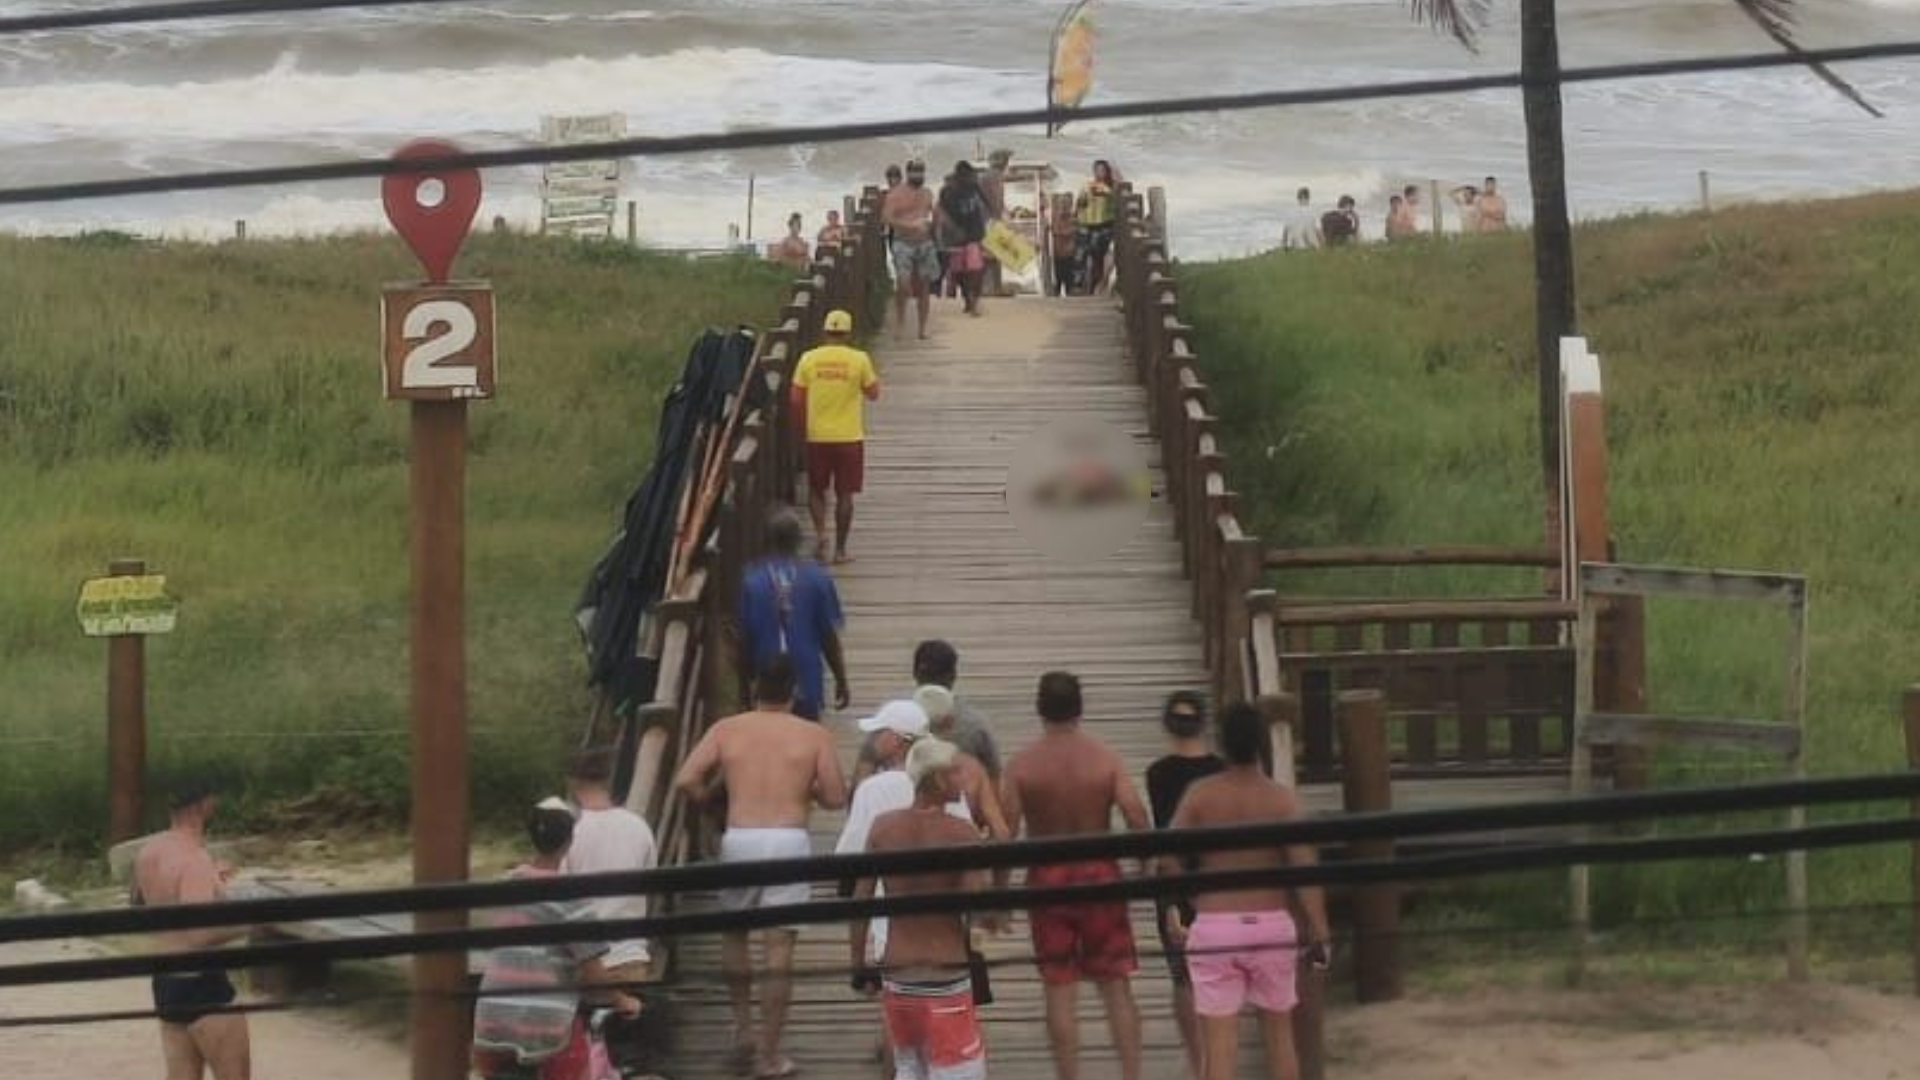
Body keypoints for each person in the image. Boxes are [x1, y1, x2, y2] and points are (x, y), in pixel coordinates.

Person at [673, 656, 849, 1080]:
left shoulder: (727, 729)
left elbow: (685, 779)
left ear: (754, 687)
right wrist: (803, 787)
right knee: (779, 949)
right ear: (794, 691)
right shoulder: (813, 735)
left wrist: (715, 805)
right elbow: (835, 797)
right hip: (788, 840)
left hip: (741, 837)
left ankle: (743, 1029)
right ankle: (770, 1054)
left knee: (735, 934)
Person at [1165, 701, 1332, 1080]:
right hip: (1271, 923)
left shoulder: (1201, 794)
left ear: (1221, 743)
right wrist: (1319, 928)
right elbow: (1304, 866)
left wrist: (1185, 900)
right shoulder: (1280, 798)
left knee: (1220, 1045)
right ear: (1261, 745)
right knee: (1279, 1035)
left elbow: (1169, 856)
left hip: (1216, 924)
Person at [1001, 671, 1148, 1080]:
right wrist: (1149, 866)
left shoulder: (1021, 765)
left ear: (1039, 708)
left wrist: (997, 892)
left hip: (1047, 877)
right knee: (1116, 985)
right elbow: (1135, 814)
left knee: (1059, 987)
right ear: (1080, 708)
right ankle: (1131, 1074)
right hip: (1100, 873)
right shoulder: (1105, 758)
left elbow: (1007, 832)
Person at [850, 739, 991, 1080]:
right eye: (956, 771)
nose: (964, 779)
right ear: (938, 779)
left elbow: (861, 901)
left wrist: (858, 964)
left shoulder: (883, 828)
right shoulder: (962, 834)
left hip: (897, 974)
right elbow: (978, 907)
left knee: (908, 1067)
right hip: (946, 976)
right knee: (959, 1071)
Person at [472, 804, 644, 1080]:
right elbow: (594, 974)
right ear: (568, 843)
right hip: (545, 1026)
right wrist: (623, 1000)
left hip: (491, 1018)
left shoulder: (504, 886)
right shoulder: (571, 899)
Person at [133, 777, 252, 1080]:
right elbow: (200, 933)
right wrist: (253, 922)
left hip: (165, 981)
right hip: (202, 981)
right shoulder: (194, 859)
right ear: (205, 806)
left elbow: (138, 903)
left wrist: (211, 882)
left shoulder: (151, 850)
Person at [1144, 691, 1225, 1079]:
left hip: (1175, 878)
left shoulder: (1158, 774)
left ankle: (1198, 1063)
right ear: (1204, 723)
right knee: (1218, 974)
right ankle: (1217, 1057)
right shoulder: (1222, 771)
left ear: (1166, 725)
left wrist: (1173, 903)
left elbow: (1164, 835)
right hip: (1218, 879)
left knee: (1183, 977)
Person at [560, 747, 660, 1024]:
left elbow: (559, 900)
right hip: (631, 957)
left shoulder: (568, 832)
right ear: (608, 779)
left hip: (586, 966)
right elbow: (649, 883)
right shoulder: (639, 826)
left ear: (571, 782)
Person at [738, 507, 851, 721]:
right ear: (799, 540)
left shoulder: (752, 581)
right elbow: (828, 637)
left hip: (766, 680)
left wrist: (744, 687)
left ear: (768, 540)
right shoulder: (818, 579)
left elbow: (745, 640)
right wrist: (841, 679)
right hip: (806, 677)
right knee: (805, 739)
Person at [791, 309, 881, 565]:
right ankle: (840, 550)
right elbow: (874, 393)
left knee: (817, 490)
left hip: (817, 436)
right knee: (845, 494)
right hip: (849, 437)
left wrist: (801, 429)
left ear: (825, 331)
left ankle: (821, 535)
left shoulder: (808, 359)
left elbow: (796, 399)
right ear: (848, 333)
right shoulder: (859, 359)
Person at [854, 639, 1001, 787]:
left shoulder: (891, 720)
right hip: (956, 802)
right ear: (953, 675)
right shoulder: (974, 725)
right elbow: (995, 780)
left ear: (915, 673)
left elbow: (861, 778)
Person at [884, 159, 939, 341]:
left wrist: (935, 224)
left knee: (924, 285)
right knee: (903, 284)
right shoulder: (896, 194)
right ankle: (900, 323)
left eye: (921, 171)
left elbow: (934, 213)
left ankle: (922, 329)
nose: (919, 175)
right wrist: (909, 225)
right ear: (908, 173)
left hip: (925, 243)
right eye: (915, 172)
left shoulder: (927, 193)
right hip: (903, 242)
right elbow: (887, 218)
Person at [938, 161, 990, 316]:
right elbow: (942, 213)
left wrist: (989, 221)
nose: (971, 178)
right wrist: (953, 230)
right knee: (959, 272)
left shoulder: (974, 187)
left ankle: (974, 301)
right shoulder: (948, 191)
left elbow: (986, 205)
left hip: (974, 234)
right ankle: (968, 299)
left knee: (975, 269)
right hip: (956, 238)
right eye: (968, 176)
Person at [1075, 160, 1119, 294]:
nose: (1099, 173)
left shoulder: (1112, 187)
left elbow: (1117, 200)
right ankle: (1078, 284)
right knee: (1081, 254)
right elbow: (1080, 203)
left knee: (1099, 257)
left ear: (1106, 172)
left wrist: (1107, 192)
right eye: (1097, 170)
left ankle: (1098, 284)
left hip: (1104, 225)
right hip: (1087, 224)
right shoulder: (1087, 185)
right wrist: (1082, 201)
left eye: (1102, 170)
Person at [981, 148, 1013, 297]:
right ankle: (991, 289)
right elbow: (996, 200)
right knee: (991, 257)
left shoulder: (987, 176)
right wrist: (1001, 219)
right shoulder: (994, 176)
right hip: (990, 220)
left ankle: (994, 287)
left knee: (993, 256)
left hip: (987, 220)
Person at [1049, 193, 1080, 295]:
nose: (1064, 206)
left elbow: (1071, 232)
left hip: (1070, 258)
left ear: (1071, 205)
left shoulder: (1074, 220)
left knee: (1070, 287)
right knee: (1055, 287)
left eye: (1066, 204)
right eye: (1061, 204)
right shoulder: (1052, 220)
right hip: (1056, 258)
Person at [1281, 187, 1321, 251]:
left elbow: (1285, 233)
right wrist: (1324, 245)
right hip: (1312, 248)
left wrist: (1284, 247)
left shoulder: (1290, 212)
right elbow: (1319, 231)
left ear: (1298, 198)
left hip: (1295, 248)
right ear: (1308, 198)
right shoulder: (1314, 211)